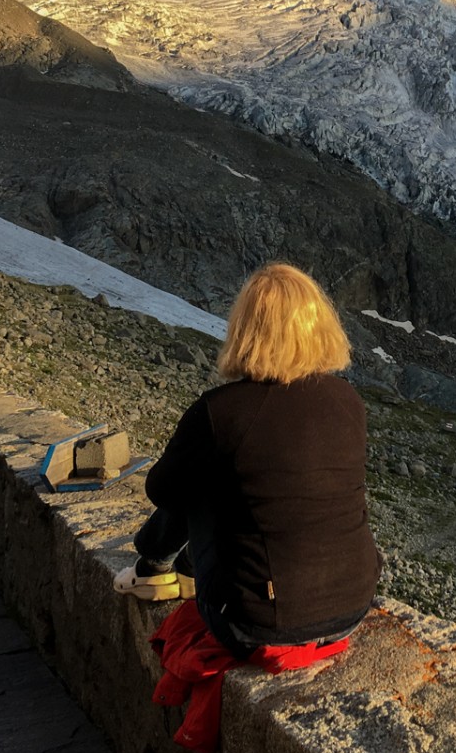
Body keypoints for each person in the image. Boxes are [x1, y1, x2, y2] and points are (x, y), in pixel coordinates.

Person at [115, 262, 382, 659]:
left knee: (201, 478)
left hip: (253, 621)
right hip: (354, 606)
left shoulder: (220, 412)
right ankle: (164, 565)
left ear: (245, 330)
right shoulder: (348, 401)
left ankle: (154, 567)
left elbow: (162, 490)